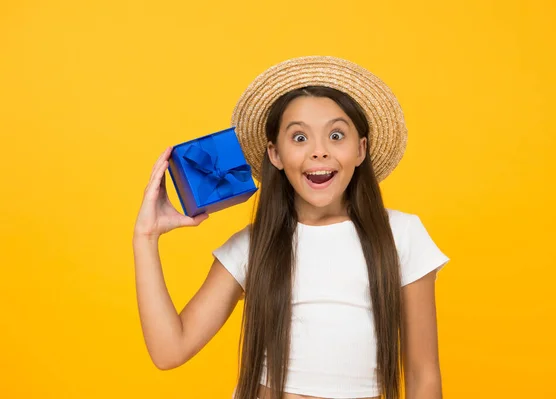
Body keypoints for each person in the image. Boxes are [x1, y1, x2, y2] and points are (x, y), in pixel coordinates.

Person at [133, 56, 450, 399]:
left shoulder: (401, 236)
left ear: (361, 149)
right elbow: (169, 350)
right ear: (275, 154)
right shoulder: (254, 247)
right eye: (299, 138)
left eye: (336, 135)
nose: (318, 152)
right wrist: (145, 237)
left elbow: (424, 377)